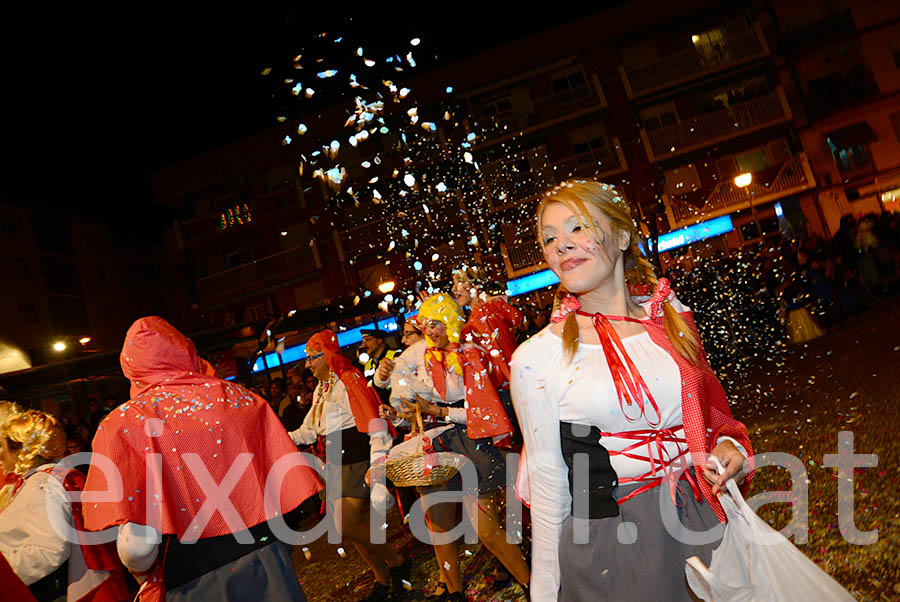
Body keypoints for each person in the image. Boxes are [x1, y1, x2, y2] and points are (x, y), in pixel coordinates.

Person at [510, 180, 754, 601]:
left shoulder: (672, 319)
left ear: (622, 235)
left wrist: (731, 447)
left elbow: (716, 418)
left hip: (702, 515)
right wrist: (546, 592)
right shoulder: (537, 357)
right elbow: (551, 489)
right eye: (549, 238)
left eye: (578, 228)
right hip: (612, 542)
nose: (562, 246)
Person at [82, 316, 321, 601]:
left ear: (130, 365)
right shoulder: (239, 398)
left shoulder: (123, 424)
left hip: (195, 579)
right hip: (268, 559)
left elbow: (137, 547)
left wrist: (142, 573)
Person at [395, 294, 529, 601]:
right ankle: (453, 593)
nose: (430, 330)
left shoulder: (470, 354)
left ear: (451, 322)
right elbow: (424, 396)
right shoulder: (431, 356)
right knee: (439, 526)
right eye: (426, 324)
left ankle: (532, 585)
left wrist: (438, 411)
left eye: (437, 323)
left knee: (486, 529)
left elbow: (482, 412)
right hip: (440, 442)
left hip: (474, 444)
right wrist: (404, 410)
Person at [288, 329, 409, 602]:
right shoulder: (324, 386)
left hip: (355, 461)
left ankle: (397, 560)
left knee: (344, 525)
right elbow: (309, 430)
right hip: (335, 462)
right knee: (353, 529)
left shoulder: (347, 380)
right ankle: (382, 579)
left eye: (311, 358)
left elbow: (373, 423)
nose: (307, 365)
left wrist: (377, 464)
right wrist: (277, 438)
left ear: (327, 356)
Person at [0, 409, 129, 602]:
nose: (0, 455)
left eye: (2, 446)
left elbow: (48, 551)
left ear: (21, 451)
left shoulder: (41, 485)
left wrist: (6, 572)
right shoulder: (54, 477)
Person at [361, 329, 398, 405]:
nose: (364, 345)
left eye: (367, 340)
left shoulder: (395, 356)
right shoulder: (368, 364)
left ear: (379, 340)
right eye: (363, 342)